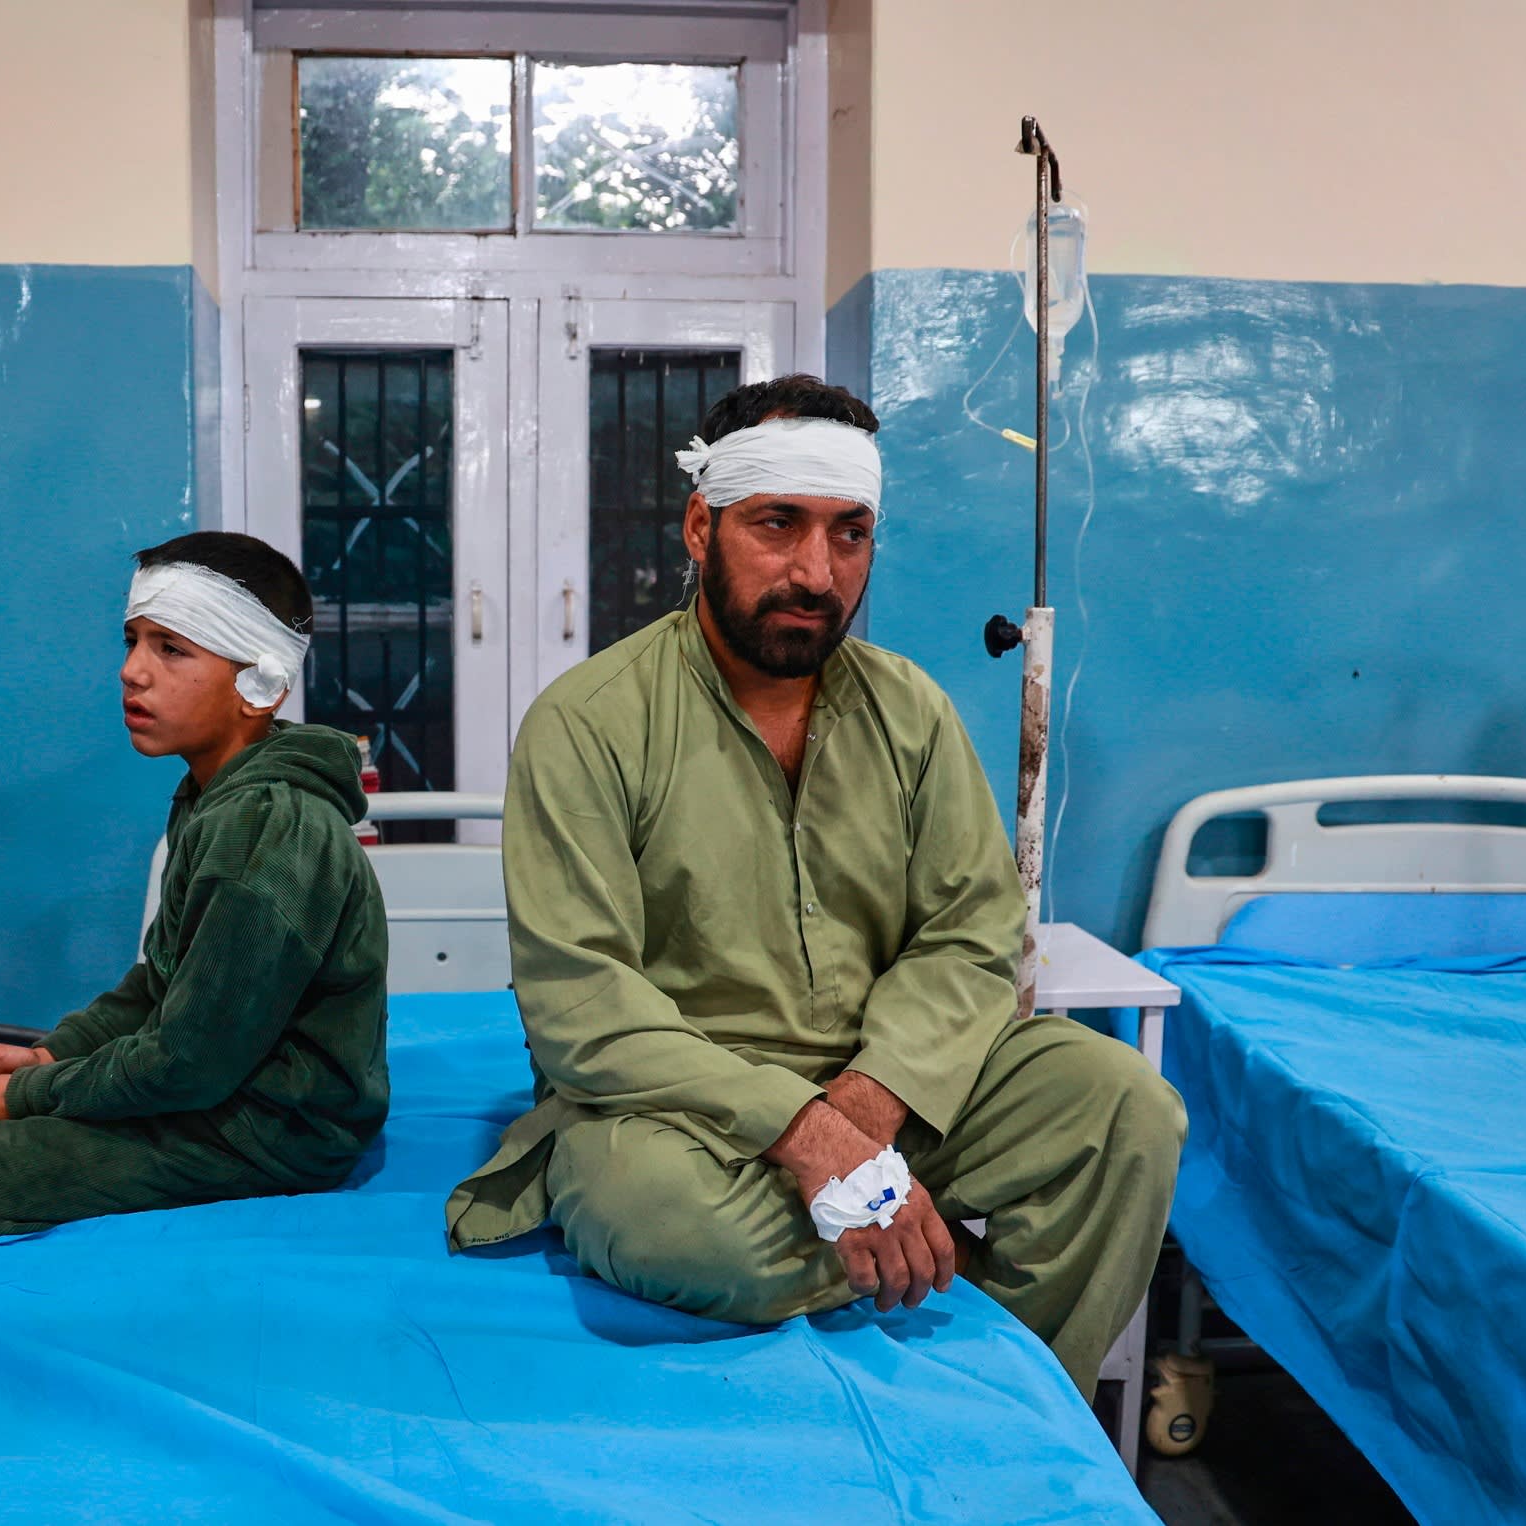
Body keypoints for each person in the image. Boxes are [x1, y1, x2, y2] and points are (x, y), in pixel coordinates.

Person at [445, 376, 1184, 1394]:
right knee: (677, 1229)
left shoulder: (911, 713)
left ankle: (1012, 1404)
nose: (815, 570)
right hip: (680, 1112)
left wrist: (868, 1106)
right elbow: (585, 1005)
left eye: (850, 534)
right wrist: (803, 1131)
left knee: (1126, 1110)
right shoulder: (589, 725)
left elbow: (972, 931)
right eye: (777, 524)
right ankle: (945, 1272)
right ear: (702, 527)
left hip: (888, 1079)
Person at [0, 532, 389, 1307]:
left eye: (171, 649)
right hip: (224, 1099)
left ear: (262, 682)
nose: (130, 670)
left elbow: (191, 1063)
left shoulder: (266, 827)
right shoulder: (216, 797)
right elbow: (160, 985)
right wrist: (44, 1061)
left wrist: (32, 1098)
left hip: (271, 1131)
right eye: (133, 641)